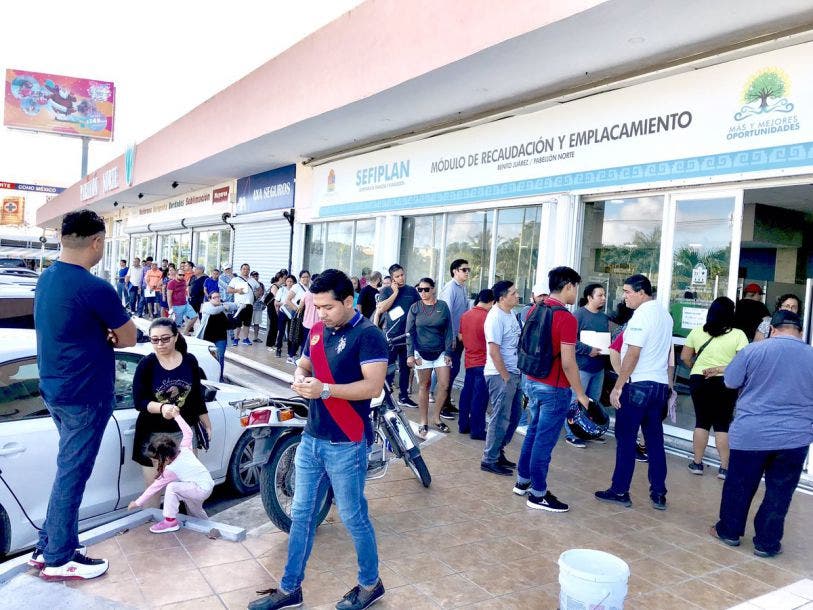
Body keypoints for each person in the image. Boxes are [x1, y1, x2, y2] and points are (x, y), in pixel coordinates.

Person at [249, 269, 387, 610]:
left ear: (349, 301)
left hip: (346, 442)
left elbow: (372, 387)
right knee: (302, 515)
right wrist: (299, 377)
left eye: (327, 307)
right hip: (311, 438)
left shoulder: (368, 335)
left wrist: (325, 390)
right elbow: (305, 365)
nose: (321, 313)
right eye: (317, 306)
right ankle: (289, 589)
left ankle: (370, 584)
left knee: (353, 516)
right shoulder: (316, 331)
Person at [31, 209, 136, 580]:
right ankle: (59, 558)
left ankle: (47, 547)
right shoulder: (95, 287)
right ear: (97, 242)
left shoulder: (47, 278)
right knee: (73, 474)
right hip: (84, 394)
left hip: (54, 389)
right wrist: (108, 335)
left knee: (68, 470)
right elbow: (129, 337)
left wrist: (99, 333)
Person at [711, 310, 813, 558]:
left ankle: (729, 532)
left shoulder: (753, 350)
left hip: (752, 434)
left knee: (740, 485)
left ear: (772, 329)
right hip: (795, 437)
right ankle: (767, 543)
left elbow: (730, 381)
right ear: (800, 331)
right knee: (780, 492)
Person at [513, 267, 589, 511]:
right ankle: (538, 494)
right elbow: (568, 362)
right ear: (568, 286)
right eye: (576, 287)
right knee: (544, 442)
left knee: (533, 432)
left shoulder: (535, 309)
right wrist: (580, 393)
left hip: (532, 380)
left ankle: (522, 481)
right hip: (554, 388)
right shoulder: (566, 318)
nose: (576, 293)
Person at [596, 274, 673, 510]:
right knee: (655, 442)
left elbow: (633, 353)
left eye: (628, 292)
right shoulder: (665, 315)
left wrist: (619, 385)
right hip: (659, 386)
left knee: (626, 440)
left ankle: (620, 490)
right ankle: (658, 493)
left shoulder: (642, 315)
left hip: (638, 385)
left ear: (641, 292)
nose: (624, 297)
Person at [131, 319, 212, 508]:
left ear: (175, 337)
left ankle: (194, 523)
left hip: (183, 434)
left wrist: (207, 423)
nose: (160, 344)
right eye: (155, 340)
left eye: (165, 339)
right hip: (153, 436)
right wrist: (162, 408)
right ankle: (153, 523)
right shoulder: (147, 364)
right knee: (154, 487)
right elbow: (139, 401)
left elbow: (196, 397)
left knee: (191, 486)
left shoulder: (189, 361)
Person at [680, 297, 748, 478]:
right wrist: (720, 369)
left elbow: (685, 357)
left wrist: (696, 368)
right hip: (725, 381)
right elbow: (742, 363)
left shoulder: (697, 332)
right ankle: (724, 468)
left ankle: (697, 464)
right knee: (722, 424)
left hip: (699, 379)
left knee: (701, 422)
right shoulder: (738, 335)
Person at [128, 412, 215, 533]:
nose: (154, 463)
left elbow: (154, 487)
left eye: (156, 461)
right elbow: (188, 432)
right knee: (195, 510)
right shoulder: (185, 448)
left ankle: (170, 522)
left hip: (200, 489)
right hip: (206, 484)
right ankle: (211, 528)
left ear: (166, 458)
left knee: (172, 487)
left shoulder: (171, 470)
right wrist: (177, 416)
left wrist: (138, 502)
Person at [480, 280, 523, 476]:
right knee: (500, 418)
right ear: (502, 297)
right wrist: (506, 377)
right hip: (500, 374)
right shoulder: (495, 317)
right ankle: (489, 459)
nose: (517, 296)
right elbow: (494, 351)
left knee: (514, 416)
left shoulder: (511, 313)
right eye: (513, 293)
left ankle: (498, 451)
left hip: (514, 372)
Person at [405, 277, 454, 438]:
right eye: (420, 289)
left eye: (426, 289)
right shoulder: (415, 307)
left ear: (433, 289)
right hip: (421, 352)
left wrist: (448, 352)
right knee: (424, 386)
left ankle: (436, 418)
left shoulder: (442, 306)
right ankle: (423, 421)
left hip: (440, 351)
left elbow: (449, 330)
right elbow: (409, 332)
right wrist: (410, 354)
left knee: (444, 385)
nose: (423, 292)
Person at [564, 283, 610, 448]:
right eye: (600, 295)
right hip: (582, 367)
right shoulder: (578, 315)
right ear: (589, 297)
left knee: (593, 402)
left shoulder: (604, 318)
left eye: (604, 295)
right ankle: (571, 434)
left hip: (598, 368)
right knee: (576, 400)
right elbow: (569, 340)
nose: (603, 298)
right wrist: (588, 350)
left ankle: (590, 431)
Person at [377, 263, 420, 408]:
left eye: (402, 275)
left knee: (405, 368)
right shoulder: (386, 291)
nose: (401, 278)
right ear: (392, 278)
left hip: (407, 336)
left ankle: (404, 396)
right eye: (397, 276)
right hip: (391, 336)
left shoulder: (411, 291)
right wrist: (395, 293)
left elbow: (418, 309)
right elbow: (382, 308)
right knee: (389, 369)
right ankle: (385, 398)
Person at [457, 289, 494, 439]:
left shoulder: (465, 315)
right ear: (492, 302)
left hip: (469, 360)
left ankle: (463, 425)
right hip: (484, 361)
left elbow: (460, 337)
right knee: (480, 397)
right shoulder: (489, 317)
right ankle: (477, 430)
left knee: (467, 393)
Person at [437, 258, 470, 419]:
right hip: (451, 337)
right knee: (448, 372)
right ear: (455, 271)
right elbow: (446, 314)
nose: (467, 273)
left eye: (468, 270)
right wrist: (451, 337)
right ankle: (442, 406)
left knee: (454, 370)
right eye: (464, 270)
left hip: (460, 336)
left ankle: (447, 402)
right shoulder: (450, 288)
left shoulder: (462, 288)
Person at [198, 291, 230, 381]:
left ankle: (219, 378)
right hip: (208, 338)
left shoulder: (222, 308)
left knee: (220, 358)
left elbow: (227, 323)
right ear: (209, 299)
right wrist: (223, 307)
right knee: (209, 358)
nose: (217, 299)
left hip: (221, 337)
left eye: (218, 297)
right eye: (214, 297)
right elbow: (213, 311)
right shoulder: (206, 306)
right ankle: (209, 377)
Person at [227, 263, 260, 346]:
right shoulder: (235, 279)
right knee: (237, 322)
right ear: (241, 270)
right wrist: (237, 291)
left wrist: (256, 296)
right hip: (239, 304)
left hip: (249, 304)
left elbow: (259, 289)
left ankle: (245, 338)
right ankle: (236, 338)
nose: (246, 270)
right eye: (244, 269)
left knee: (247, 323)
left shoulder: (252, 280)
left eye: (248, 269)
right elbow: (229, 290)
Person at [283, 270, 312, 362]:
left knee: (304, 336)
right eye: (303, 277)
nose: (305, 279)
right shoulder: (296, 287)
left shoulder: (311, 286)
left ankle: (301, 357)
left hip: (307, 314)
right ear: (300, 278)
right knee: (296, 334)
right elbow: (287, 300)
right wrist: (296, 309)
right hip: (298, 314)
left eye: (307, 277)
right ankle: (291, 356)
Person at [167, 267, 198, 335]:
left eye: (183, 275)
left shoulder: (184, 281)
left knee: (195, 317)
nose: (182, 276)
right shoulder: (171, 283)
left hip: (185, 304)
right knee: (177, 325)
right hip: (176, 306)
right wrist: (170, 308)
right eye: (180, 275)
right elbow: (169, 296)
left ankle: (186, 331)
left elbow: (185, 290)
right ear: (176, 274)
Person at [275, 274, 296, 357]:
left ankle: (290, 350)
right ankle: (278, 349)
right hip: (283, 312)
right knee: (281, 331)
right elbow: (276, 302)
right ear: (285, 282)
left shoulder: (296, 290)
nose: (290, 283)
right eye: (288, 281)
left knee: (291, 332)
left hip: (292, 313)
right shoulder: (282, 290)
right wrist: (285, 303)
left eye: (291, 281)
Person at [264, 272, 283, 352]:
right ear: (280, 278)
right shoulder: (275, 286)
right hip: (272, 308)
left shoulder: (280, 286)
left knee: (275, 327)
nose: (285, 280)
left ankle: (272, 343)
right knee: (273, 326)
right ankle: (269, 345)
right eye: (284, 278)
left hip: (276, 308)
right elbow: (277, 297)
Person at [218, 263, 236, 343]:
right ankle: (226, 334)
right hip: (225, 300)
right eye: (226, 269)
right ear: (223, 270)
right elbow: (228, 287)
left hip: (234, 300)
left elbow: (238, 286)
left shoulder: (235, 276)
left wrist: (232, 277)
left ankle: (231, 334)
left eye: (229, 269)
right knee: (225, 317)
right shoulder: (221, 277)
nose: (228, 270)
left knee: (231, 317)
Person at [250, 270, 266, 342]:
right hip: (249, 306)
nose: (255, 277)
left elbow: (264, 295)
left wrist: (264, 304)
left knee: (257, 323)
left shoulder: (261, 285)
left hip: (258, 307)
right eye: (254, 276)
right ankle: (245, 338)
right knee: (247, 323)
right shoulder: (248, 284)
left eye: (256, 276)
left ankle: (255, 337)